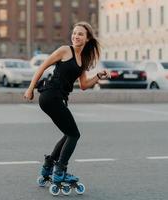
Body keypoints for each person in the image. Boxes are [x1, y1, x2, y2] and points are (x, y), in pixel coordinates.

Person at [23, 22, 110, 185]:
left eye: (80, 34)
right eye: (75, 33)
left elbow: (84, 85)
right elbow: (42, 66)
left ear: (88, 38)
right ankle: (60, 171)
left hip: (58, 98)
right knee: (74, 135)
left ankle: (49, 166)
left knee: (68, 134)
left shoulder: (83, 59)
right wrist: (30, 88)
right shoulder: (65, 50)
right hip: (50, 95)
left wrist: (98, 75)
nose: (76, 36)